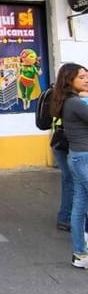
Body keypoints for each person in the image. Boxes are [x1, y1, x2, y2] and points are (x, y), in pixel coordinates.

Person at [51, 63, 88, 267]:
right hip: (83, 158)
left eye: (87, 75)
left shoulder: (71, 100)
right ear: (69, 80)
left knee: (80, 205)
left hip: (78, 156)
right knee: (81, 204)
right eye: (81, 76)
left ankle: (80, 255)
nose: (86, 79)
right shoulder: (75, 103)